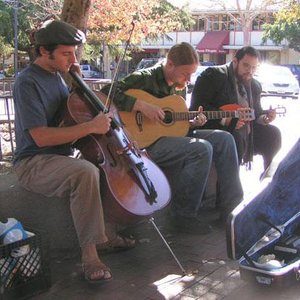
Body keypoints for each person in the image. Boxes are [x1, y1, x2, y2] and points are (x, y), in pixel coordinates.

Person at [12, 20, 135, 283]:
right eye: (66, 53)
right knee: (85, 172)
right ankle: (90, 255)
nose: (72, 58)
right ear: (45, 51)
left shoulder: (58, 77)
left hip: (60, 158)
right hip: (33, 162)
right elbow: (41, 136)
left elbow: (70, 115)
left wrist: (77, 85)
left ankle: (107, 232)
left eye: (74, 53)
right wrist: (91, 126)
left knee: (101, 168)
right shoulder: (27, 83)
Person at [101, 42, 243, 228]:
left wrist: (191, 123)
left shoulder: (178, 86)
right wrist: (141, 106)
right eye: (185, 74)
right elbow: (107, 92)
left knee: (224, 138)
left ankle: (231, 207)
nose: (189, 79)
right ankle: (183, 215)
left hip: (165, 138)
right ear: (169, 65)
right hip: (143, 143)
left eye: (191, 74)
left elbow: (173, 125)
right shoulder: (145, 77)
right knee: (201, 148)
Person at [190, 46, 281, 180]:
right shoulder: (214, 76)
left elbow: (256, 112)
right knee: (235, 137)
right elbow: (197, 106)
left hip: (246, 133)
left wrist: (265, 118)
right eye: (246, 66)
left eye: (254, 67)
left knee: (273, 134)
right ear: (235, 61)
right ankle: (231, 188)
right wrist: (225, 120)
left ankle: (268, 178)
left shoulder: (255, 85)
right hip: (216, 128)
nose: (250, 71)